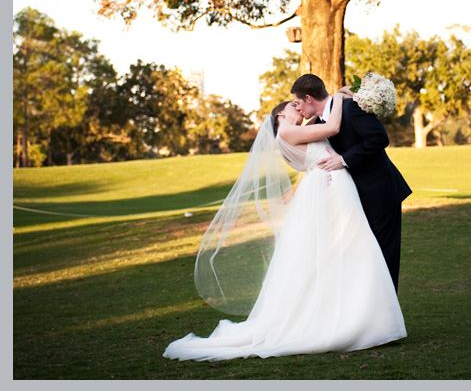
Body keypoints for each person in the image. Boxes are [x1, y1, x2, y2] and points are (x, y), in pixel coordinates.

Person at [163, 89, 406, 362]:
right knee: (350, 250)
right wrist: (337, 97)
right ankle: (358, 319)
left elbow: (321, 133)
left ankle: (364, 315)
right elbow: (334, 126)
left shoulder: (301, 130)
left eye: (299, 103)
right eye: (293, 106)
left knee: (348, 253)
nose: (299, 110)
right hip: (331, 189)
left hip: (333, 189)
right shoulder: (286, 133)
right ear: (281, 114)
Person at [291, 74, 412, 292]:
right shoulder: (319, 123)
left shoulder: (350, 108)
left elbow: (379, 138)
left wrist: (344, 160)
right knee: (365, 259)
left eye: (298, 103)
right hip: (354, 200)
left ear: (309, 98)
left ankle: (387, 319)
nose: (298, 109)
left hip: (381, 193)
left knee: (384, 257)